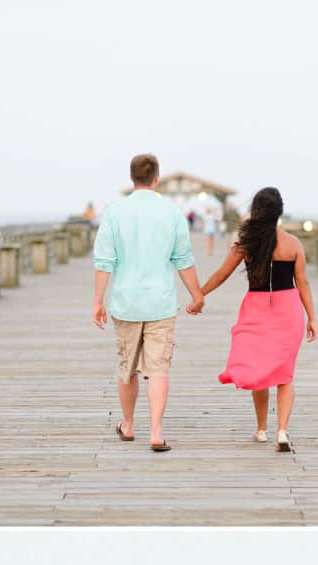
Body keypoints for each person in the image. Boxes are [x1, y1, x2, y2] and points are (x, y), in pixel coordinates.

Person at [91, 153, 205, 453]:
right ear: (157, 178)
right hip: (161, 303)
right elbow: (183, 260)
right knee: (158, 369)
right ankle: (156, 432)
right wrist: (197, 294)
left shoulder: (115, 211)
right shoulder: (171, 213)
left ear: (132, 179)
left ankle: (128, 425)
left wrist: (97, 301)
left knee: (127, 367)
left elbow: (104, 261)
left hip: (126, 302)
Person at [200, 187, 316, 452]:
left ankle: (262, 429)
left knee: (261, 373)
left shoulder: (247, 243)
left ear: (256, 211)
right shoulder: (293, 244)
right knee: (285, 375)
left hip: (256, 309)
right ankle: (282, 431)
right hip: (289, 311)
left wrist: (199, 294)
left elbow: (222, 274)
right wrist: (312, 317)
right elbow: (303, 283)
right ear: (279, 212)